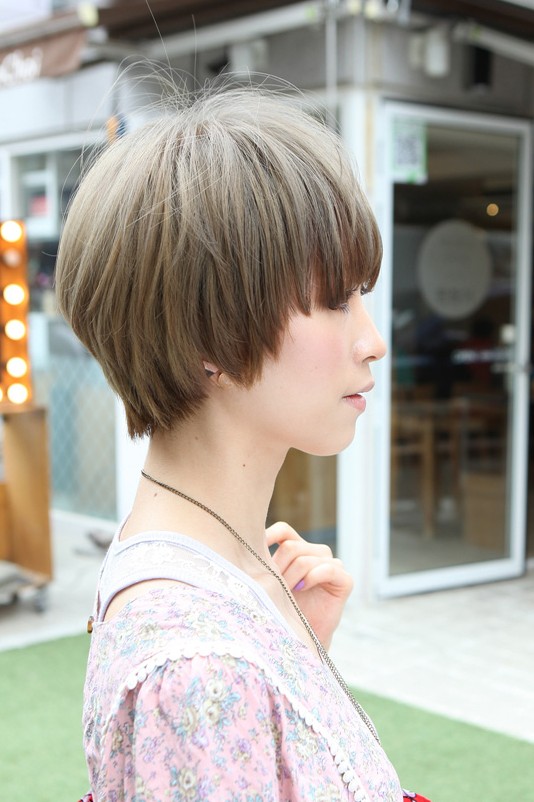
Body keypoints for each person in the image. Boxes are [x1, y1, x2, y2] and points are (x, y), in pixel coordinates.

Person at [56, 83, 431, 802]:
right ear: (210, 337)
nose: (373, 342)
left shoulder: (206, 585)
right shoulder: (197, 666)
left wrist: (292, 663)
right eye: (334, 301)